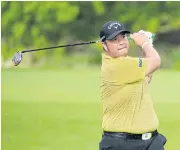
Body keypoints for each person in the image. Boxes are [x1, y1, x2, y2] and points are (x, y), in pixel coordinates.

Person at [99, 21, 167, 150]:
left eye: (123, 37)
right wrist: (145, 43)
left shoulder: (127, 62)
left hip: (151, 142)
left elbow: (146, 76)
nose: (121, 42)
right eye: (114, 39)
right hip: (123, 144)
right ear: (104, 45)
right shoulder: (115, 66)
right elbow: (156, 61)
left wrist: (147, 45)